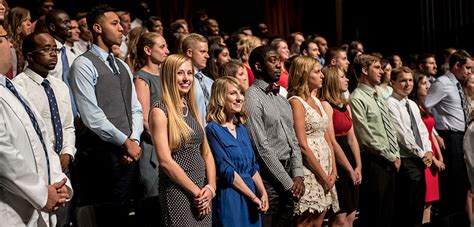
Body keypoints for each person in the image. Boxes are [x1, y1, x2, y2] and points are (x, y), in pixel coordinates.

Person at [68, 5, 144, 226]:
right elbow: (92, 116)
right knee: (110, 217)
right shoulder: (83, 65)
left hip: (131, 153)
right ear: (97, 28)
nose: (121, 29)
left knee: (133, 214)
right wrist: (124, 142)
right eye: (114, 24)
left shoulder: (121, 65)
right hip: (103, 156)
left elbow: (135, 108)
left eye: (121, 24)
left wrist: (135, 140)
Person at [0, 23, 72, 226]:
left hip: (45, 196)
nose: (11, 44)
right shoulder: (20, 84)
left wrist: (58, 182)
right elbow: (3, 155)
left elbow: (40, 138)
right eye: (6, 39)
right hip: (13, 209)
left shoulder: (10, 87)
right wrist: (41, 193)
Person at [149, 54, 216, 226]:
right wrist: (196, 193)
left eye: (189, 73)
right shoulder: (160, 111)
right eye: (180, 73)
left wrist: (211, 188)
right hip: (178, 191)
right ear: (169, 76)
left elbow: (206, 152)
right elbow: (165, 161)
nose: (186, 78)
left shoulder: (192, 108)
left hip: (203, 190)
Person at [244, 45, 305, 226]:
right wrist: (289, 182)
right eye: (272, 61)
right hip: (268, 178)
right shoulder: (252, 97)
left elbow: (293, 139)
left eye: (279, 61)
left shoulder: (280, 97)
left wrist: (298, 175)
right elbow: (261, 147)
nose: (278, 65)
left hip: (289, 175)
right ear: (258, 66)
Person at [206, 76, 268, 226]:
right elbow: (227, 170)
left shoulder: (241, 129)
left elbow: (252, 167)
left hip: (252, 194)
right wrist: (253, 197)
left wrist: (263, 192)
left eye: (241, 93)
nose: (240, 98)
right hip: (231, 195)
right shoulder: (212, 130)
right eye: (233, 93)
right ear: (220, 97)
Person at [287, 56, 339, 227]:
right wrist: (323, 176)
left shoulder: (316, 100)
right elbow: (302, 144)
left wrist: (333, 171)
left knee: (319, 218)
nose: (322, 75)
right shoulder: (296, 102)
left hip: (325, 165)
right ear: (304, 75)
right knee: (306, 221)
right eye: (317, 72)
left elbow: (327, 137)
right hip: (309, 168)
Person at [350, 54, 401, 227]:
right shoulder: (357, 98)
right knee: (374, 215)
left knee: (388, 214)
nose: (382, 72)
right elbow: (366, 137)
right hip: (374, 161)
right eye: (377, 68)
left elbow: (389, 128)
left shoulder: (377, 94)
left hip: (389, 160)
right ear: (364, 70)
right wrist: (390, 156)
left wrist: (396, 153)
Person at [425, 50, 473, 225]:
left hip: (461, 136)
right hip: (450, 136)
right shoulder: (443, 83)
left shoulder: (457, 84)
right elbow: (426, 108)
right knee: (453, 182)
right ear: (457, 65)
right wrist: (437, 133)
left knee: (462, 181)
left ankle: (459, 217)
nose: (469, 72)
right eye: (467, 68)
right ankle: (449, 219)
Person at [387, 66, 434, 226]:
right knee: (406, 208)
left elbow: (421, 130)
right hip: (407, 160)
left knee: (418, 206)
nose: (408, 84)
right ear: (392, 82)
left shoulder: (412, 104)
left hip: (420, 159)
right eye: (403, 81)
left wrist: (428, 150)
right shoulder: (391, 103)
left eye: (409, 80)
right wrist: (422, 153)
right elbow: (402, 135)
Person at [133, 31, 169, 227]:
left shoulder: (165, 76)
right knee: (153, 203)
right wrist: (165, 141)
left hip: (170, 144)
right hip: (153, 148)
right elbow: (145, 119)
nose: (167, 51)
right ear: (148, 50)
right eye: (162, 47)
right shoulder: (142, 77)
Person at [319, 64, 361, 227]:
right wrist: (350, 169)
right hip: (338, 160)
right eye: (342, 76)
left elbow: (352, 139)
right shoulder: (326, 105)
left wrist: (358, 166)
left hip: (350, 158)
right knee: (340, 217)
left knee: (351, 216)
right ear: (332, 80)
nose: (347, 79)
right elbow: (332, 141)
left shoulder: (345, 104)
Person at [409, 73, 444, 224]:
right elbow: (418, 135)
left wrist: (440, 156)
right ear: (416, 86)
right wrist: (434, 159)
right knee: (424, 201)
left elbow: (431, 132)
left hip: (433, 152)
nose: (427, 86)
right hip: (425, 156)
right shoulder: (412, 106)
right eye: (423, 83)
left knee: (430, 203)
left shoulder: (424, 106)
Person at [181, 33, 212, 124]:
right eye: (203, 52)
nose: (207, 56)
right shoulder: (181, 82)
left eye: (207, 52)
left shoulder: (210, 82)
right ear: (189, 52)